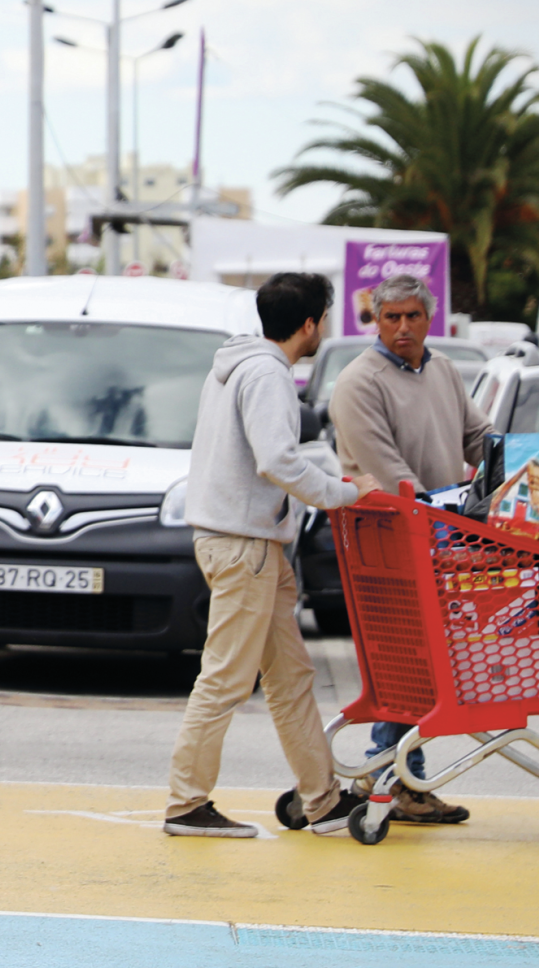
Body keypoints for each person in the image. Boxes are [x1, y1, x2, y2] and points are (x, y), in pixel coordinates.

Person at [165, 273, 381, 838]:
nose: (324, 329)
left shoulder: (239, 366)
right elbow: (276, 461)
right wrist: (344, 494)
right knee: (226, 678)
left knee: (291, 677)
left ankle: (323, 799)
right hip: (245, 546)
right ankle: (186, 803)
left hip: (245, 543)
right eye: (324, 320)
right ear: (309, 324)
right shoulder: (267, 374)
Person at [329, 273, 491, 825]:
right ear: (374, 320)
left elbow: (476, 437)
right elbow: (387, 470)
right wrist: (439, 515)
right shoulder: (358, 382)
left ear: (430, 318)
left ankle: (396, 776)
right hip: (392, 541)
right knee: (404, 659)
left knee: (418, 666)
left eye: (412, 316)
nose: (402, 327)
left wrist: (514, 466)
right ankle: (392, 775)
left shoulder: (443, 369)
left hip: (442, 537)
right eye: (390, 317)